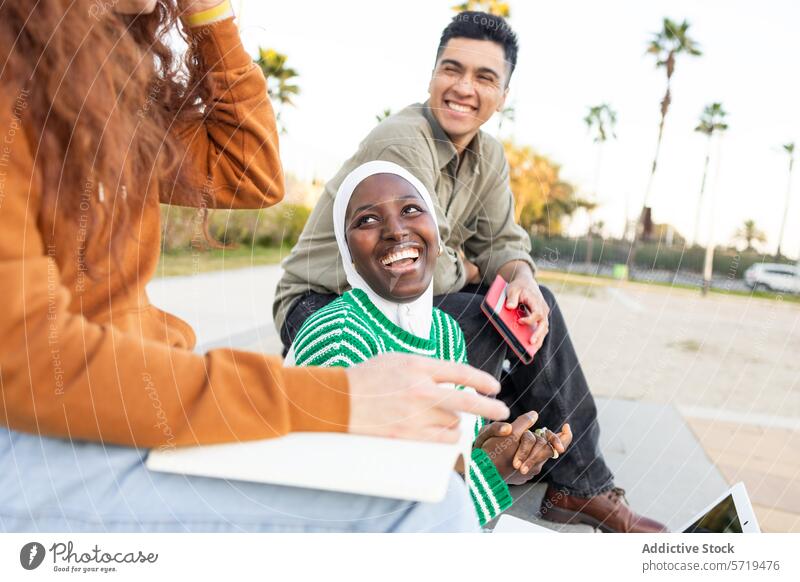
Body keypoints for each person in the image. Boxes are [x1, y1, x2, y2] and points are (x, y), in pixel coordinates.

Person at [0, 0, 511, 533]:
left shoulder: (97, 89)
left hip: (128, 403)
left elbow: (249, 169)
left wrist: (209, 17)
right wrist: (337, 397)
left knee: (429, 487)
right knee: (425, 510)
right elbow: (32, 360)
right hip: (37, 435)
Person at [273, 11, 668, 532]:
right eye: (451, 69)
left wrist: (520, 276)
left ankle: (576, 482)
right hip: (323, 302)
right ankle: (449, 483)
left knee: (530, 305)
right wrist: (472, 268)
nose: (463, 88)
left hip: (397, 300)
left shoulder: (489, 156)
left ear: (503, 94)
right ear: (432, 75)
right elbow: (405, 260)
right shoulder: (404, 142)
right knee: (478, 318)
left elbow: (503, 240)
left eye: (484, 78)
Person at [287, 161, 573, 526]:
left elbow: (443, 472)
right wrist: (489, 474)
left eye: (411, 209)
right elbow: (361, 521)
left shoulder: (446, 332)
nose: (395, 230)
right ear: (349, 257)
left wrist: (495, 453)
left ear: (438, 240)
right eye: (367, 220)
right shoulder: (339, 335)